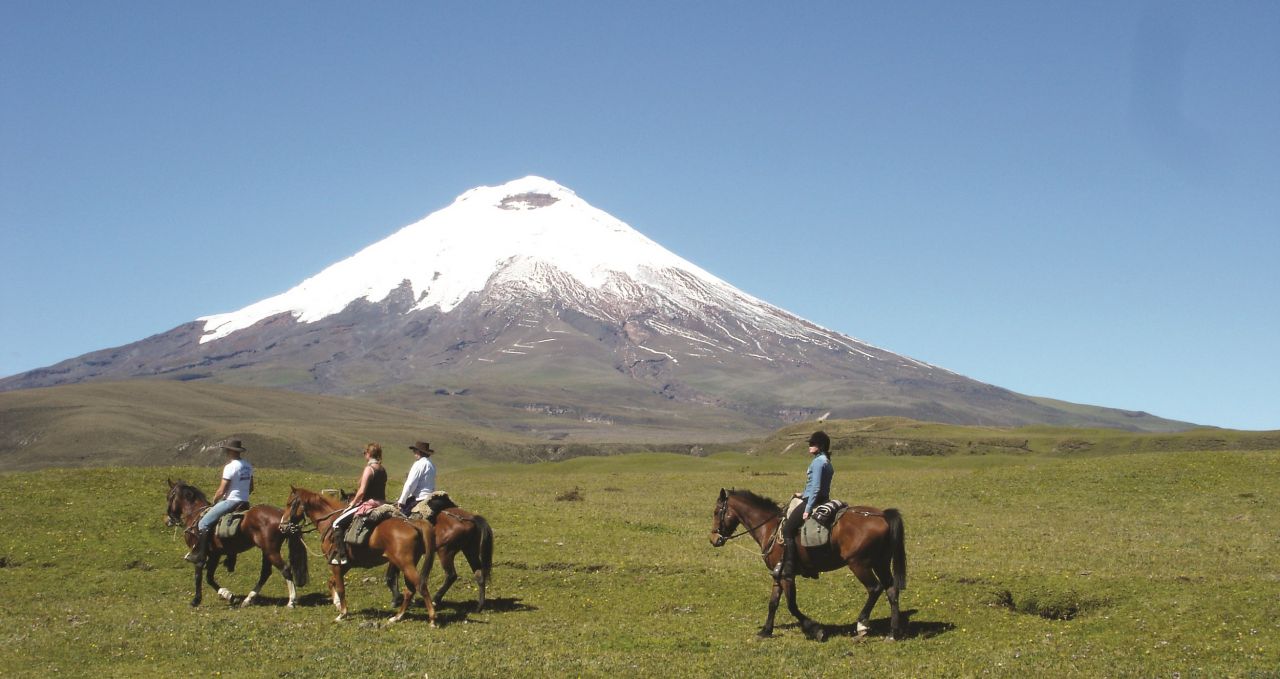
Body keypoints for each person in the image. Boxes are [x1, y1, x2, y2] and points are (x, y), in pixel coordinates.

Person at [776, 430, 833, 580]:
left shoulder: (818, 462)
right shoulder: (826, 461)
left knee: (788, 529)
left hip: (814, 501)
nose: (810, 446)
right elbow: (816, 486)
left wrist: (807, 509)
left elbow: (815, 488)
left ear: (820, 446)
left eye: (813, 444)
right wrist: (802, 493)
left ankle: (789, 567)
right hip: (822, 499)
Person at [186, 439, 253, 565]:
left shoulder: (230, 467)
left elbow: (222, 490)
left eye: (227, 450)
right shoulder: (248, 466)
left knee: (203, 523)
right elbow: (251, 487)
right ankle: (230, 556)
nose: (226, 452)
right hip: (244, 502)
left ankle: (201, 555)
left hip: (231, 501)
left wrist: (215, 500)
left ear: (231, 451)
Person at [328, 442, 388, 565]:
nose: (364, 455)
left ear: (369, 454)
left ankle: (342, 556)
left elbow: (361, 492)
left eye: (365, 453)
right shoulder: (382, 469)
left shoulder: (369, 469)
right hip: (382, 503)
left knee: (336, 523)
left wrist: (352, 504)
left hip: (368, 504)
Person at [396, 441, 437, 517]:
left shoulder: (418, 464)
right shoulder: (431, 464)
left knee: (399, 516)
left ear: (419, 452)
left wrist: (402, 500)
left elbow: (410, 484)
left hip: (419, 498)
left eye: (415, 451)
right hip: (430, 497)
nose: (414, 453)